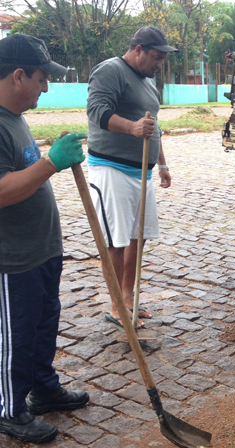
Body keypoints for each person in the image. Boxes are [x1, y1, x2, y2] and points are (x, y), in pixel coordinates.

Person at [0, 34, 89, 443]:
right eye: (41, 78)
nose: (46, 87)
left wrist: (49, 157)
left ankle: (44, 389)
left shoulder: (15, 118)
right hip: (12, 258)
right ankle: (10, 409)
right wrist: (53, 161)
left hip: (42, 251)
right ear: (18, 76)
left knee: (42, 325)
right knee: (16, 336)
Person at [86, 27, 176, 328]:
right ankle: (116, 305)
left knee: (138, 237)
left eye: (162, 59)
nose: (158, 64)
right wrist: (132, 128)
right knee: (116, 240)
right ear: (138, 49)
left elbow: (154, 126)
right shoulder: (110, 71)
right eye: (155, 57)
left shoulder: (149, 82)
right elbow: (97, 111)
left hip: (142, 171)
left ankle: (129, 298)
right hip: (111, 168)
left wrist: (162, 164)